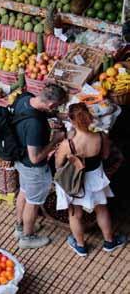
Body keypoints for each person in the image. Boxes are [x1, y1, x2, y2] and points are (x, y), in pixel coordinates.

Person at [54, 103, 127, 256]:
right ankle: (109, 242)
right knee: (102, 209)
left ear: (72, 122)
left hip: (75, 183)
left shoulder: (68, 144)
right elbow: (105, 156)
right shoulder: (101, 136)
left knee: (75, 214)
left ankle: (80, 246)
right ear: (89, 118)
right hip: (95, 178)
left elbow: (58, 164)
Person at [14, 85, 67, 249]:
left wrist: (57, 115)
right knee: (33, 202)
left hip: (19, 159)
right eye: (56, 106)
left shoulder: (24, 99)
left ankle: (19, 227)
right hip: (32, 168)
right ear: (51, 104)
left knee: (23, 191)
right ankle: (27, 238)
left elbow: (42, 111)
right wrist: (55, 140)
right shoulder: (35, 125)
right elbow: (35, 158)